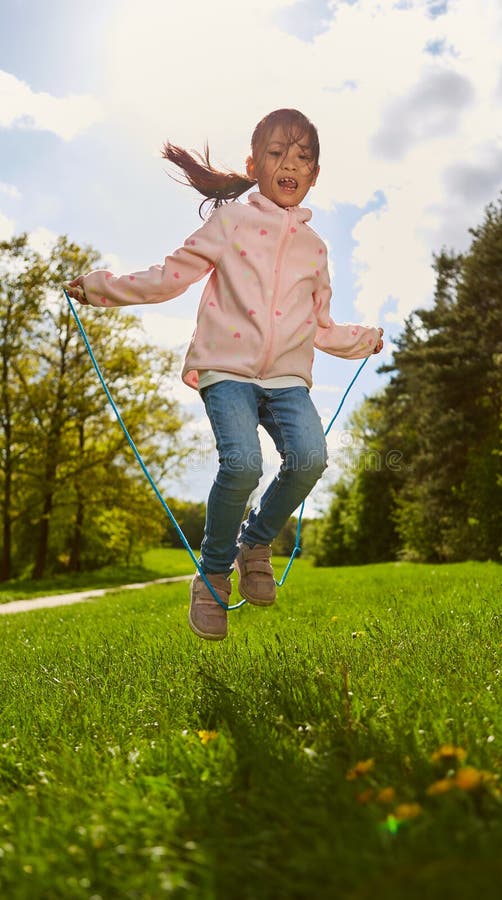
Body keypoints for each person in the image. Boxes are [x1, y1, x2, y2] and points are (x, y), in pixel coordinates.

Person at [65, 108, 384, 642]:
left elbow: (320, 325)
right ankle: (213, 573)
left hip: (285, 379)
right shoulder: (231, 221)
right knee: (241, 465)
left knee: (310, 458)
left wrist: (362, 339)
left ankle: (253, 544)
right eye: (278, 153)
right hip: (226, 369)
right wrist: (102, 288)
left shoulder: (316, 248)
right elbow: (171, 276)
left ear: (315, 175)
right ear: (254, 164)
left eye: (303, 157)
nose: (290, 164)